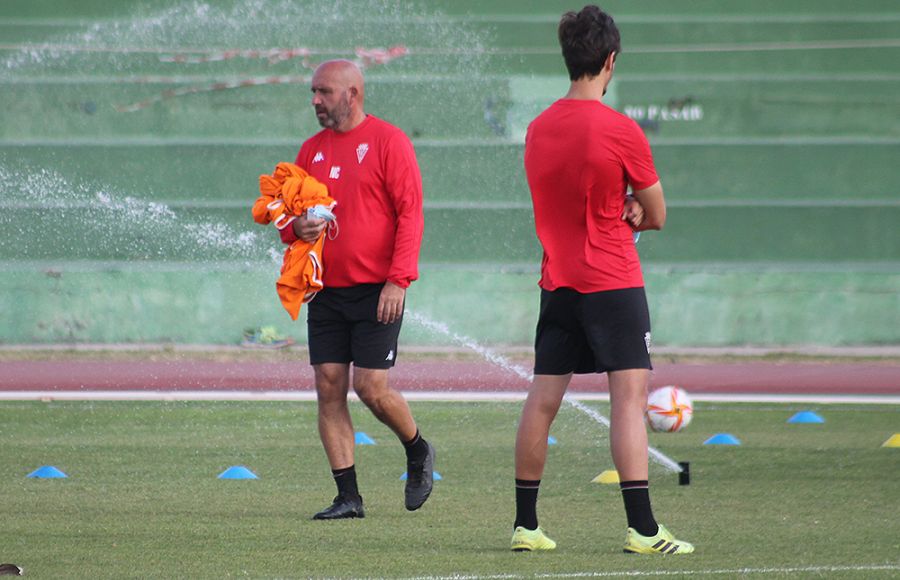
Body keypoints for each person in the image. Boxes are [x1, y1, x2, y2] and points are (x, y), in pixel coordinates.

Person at [511, 6, 694, 555]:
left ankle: (526, 525)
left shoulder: (539, 127)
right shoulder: (620, 129)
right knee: (628, 399)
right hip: (612, 279)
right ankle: (642, 530)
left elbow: (562, 196)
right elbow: (657, 213)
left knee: (542, 400)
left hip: (557, 281)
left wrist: (618, 202)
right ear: (610, 60)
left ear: (569, 58)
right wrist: (632, 207)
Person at [279, 59, 434, 519]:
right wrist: (297, 228)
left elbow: (411, 214)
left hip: (377, 291)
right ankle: (349, 498)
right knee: (329, 387)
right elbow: (288, 220)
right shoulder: (310, 151)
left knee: (371, 388)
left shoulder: (389, 142)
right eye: (313, 92)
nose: (315, 101)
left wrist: (398, 280)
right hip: (326, 290)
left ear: (352, 94)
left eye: (324, 92)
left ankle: (417, 449)